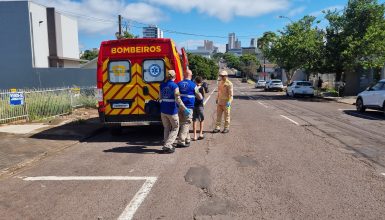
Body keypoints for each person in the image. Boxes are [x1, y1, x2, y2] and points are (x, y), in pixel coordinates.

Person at [159, 70, 190, 153]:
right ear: (174, 76)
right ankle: (168, 145)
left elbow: (160, 98)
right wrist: (185, 109)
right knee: (175, 127)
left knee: (166, 127)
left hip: (163, 110)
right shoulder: (175, 86)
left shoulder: (162, 85)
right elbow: (178, 100)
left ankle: (166, 143)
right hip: (172, 110)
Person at [177, 69, 203, 147]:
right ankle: (181, 141)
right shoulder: (193, 85)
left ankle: (187, 139)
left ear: (184, 75)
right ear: (191, 76)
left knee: (183, 123)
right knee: (186, 123)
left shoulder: (179, 84)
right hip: (188, 108)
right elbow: (200, 97)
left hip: (179, 107)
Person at [192, 76, 206, 141]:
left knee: (194, 120)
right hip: (200, 106)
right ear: (201, 81)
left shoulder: (193, 88)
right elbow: (203, 97)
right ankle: (200, 133)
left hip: (194, 105)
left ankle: (194, 135)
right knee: (201, 120)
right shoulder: (202, 88)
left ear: (195, 81)